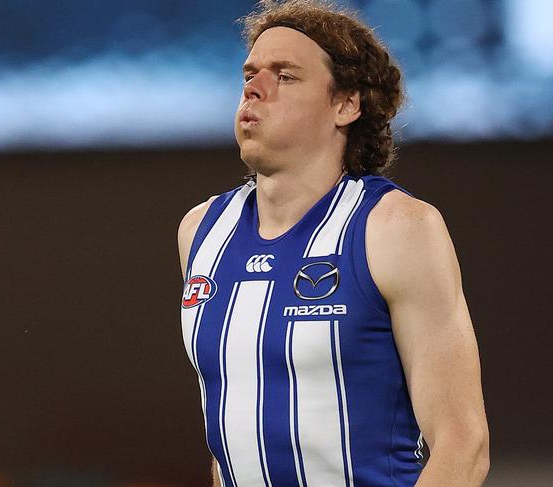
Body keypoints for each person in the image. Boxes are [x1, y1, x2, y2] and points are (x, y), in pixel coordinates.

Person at [177, 1, 489, 485]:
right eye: (250, 74)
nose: (254, 90)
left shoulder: (397, 228)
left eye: (285, 76)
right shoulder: (201, 232)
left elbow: (463, 446)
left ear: (346, 104)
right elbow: (233, 441)